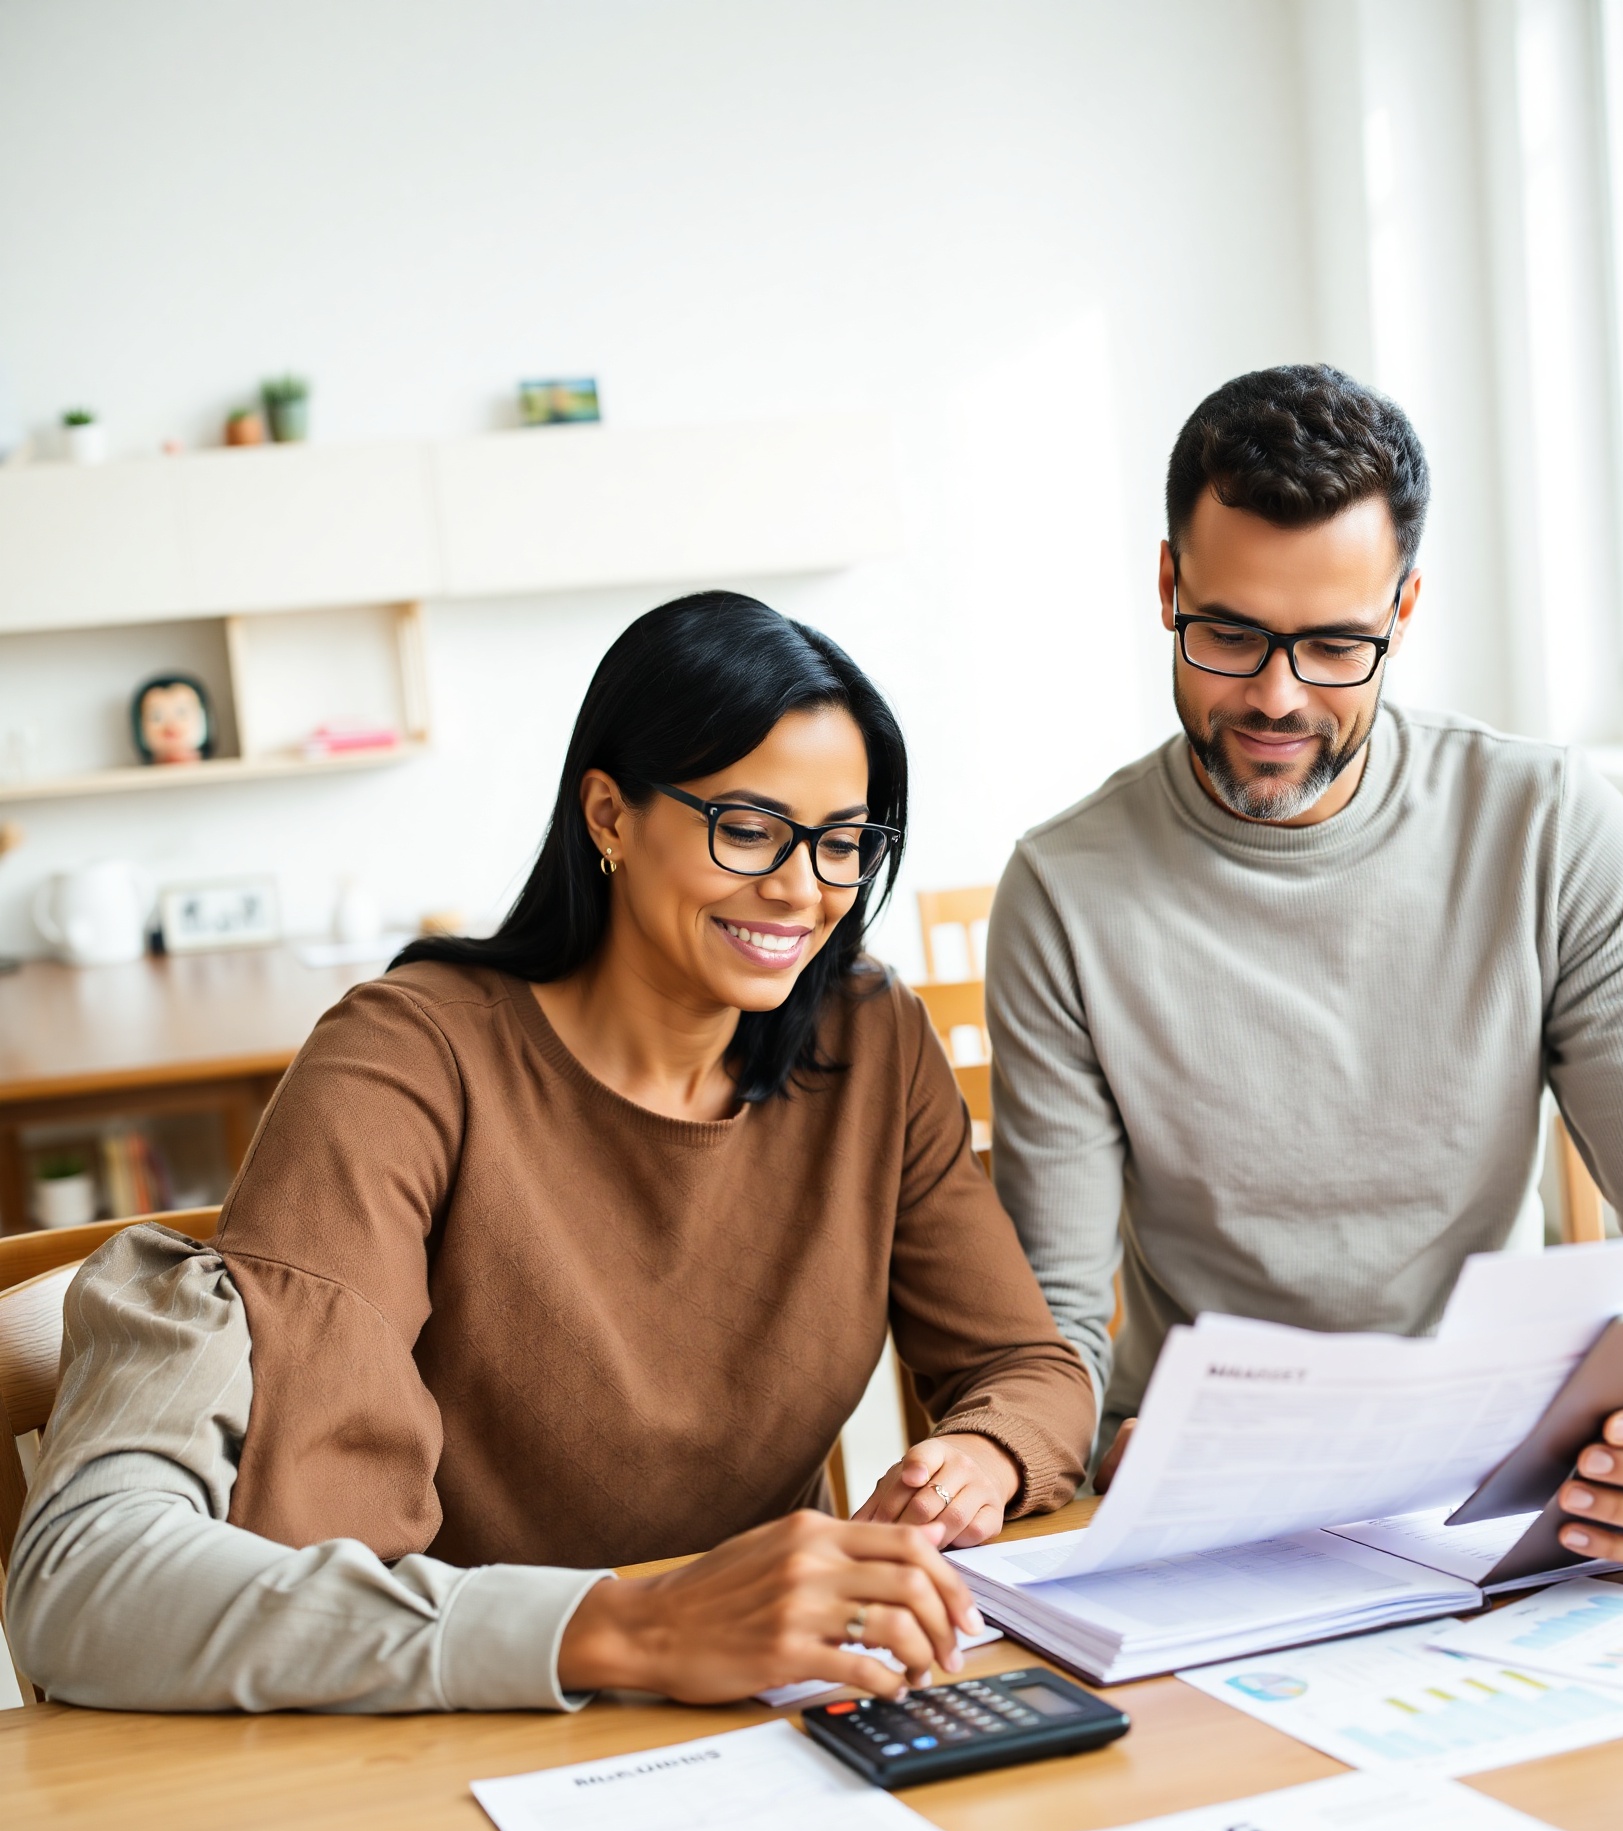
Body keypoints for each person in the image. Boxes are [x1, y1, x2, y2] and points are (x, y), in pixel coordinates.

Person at [8, 592, 1094, 1712]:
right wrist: (632, 1626)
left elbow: (1031, 1369)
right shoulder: (407, 1062)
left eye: (842, 842)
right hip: (448, 1715)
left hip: (753, 1708)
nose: (802, 888)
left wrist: (976, 1462)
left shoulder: (867, 1040)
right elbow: (189, 1550)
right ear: (609, 815)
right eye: (750, 827)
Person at [986, 364, 1623, 1574]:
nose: (1276, 698)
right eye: (1228, 633)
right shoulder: (1063, 890)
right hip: (1206, 1515)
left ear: (1402, 606)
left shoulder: (1544, 827)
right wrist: (1058, 1440)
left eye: (1336, 643)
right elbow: (1054, 1334)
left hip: (1495, 1502)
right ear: (1167, 584)